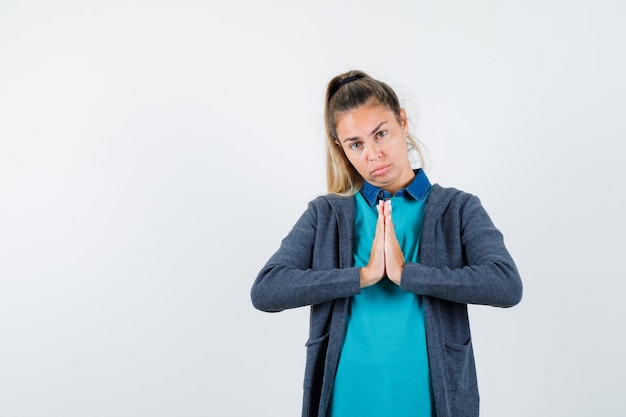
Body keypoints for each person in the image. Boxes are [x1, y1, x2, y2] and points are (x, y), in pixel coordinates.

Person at [250, 70, 522, 417]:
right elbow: (267, 290)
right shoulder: (326, 214)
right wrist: (361, 276)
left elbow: (506, 284)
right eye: (356, 144)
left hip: (428, 403)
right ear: (341, 148)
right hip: (345, 403)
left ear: (402, 122)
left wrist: (408, 274)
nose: (374, 154)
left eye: (381, 133)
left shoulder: (458, 208)